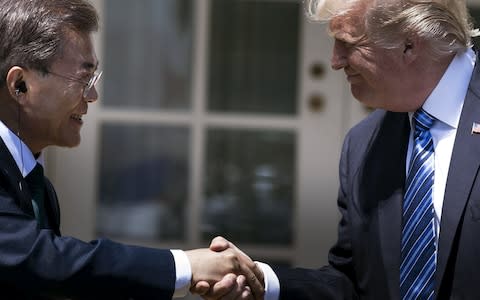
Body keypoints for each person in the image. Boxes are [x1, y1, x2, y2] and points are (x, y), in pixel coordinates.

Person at [202, 0, 480, 299]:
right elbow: (352, 281)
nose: (335, 61)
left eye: (347, 43)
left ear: (409, 44)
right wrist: (263, 282)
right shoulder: (363, 144)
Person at [0, 0, 265, 299]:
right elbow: (41, 260)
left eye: (94, 79)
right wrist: (185, 265)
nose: (93, 95)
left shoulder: (38, 187)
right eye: (83, 78)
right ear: (20, 84)